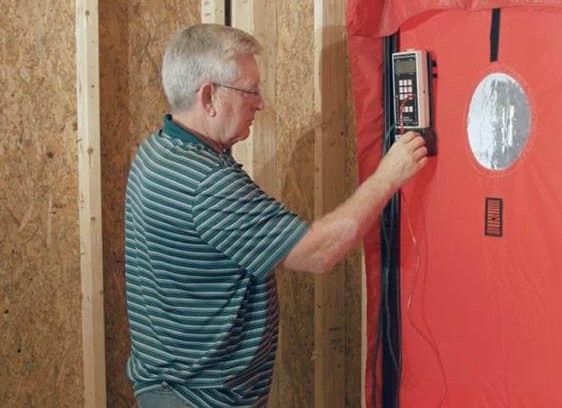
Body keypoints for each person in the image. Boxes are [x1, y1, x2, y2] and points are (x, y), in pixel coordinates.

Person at [124, 23, 428, 408]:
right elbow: (317, 253)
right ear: (208, 97)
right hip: (198, 399)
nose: (260, 102)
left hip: (168, 389)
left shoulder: (157, 150)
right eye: (250, 91)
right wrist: (388, 175)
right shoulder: (205, 184)